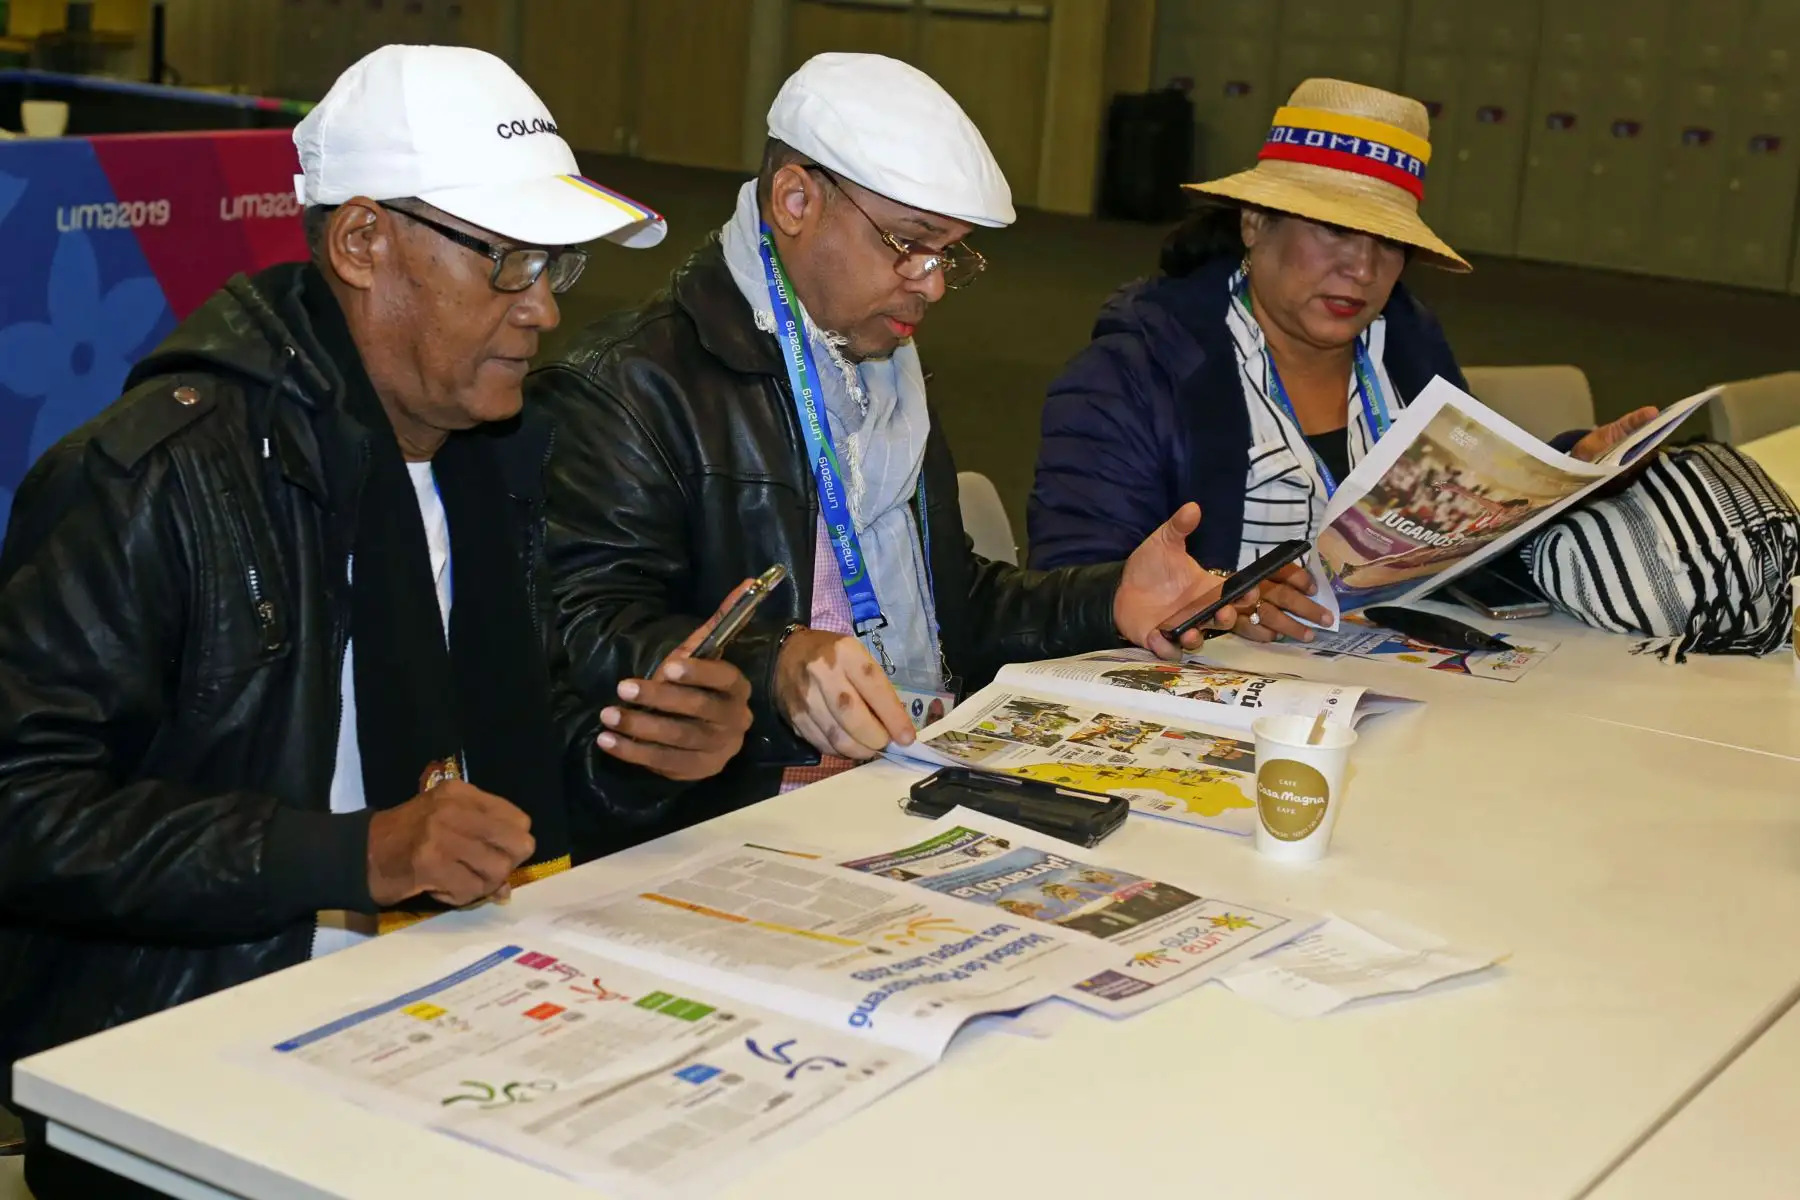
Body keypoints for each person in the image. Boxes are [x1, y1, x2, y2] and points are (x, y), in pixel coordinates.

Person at [0, 46, 747, 1198]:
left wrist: (645, 762)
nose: (544, 308)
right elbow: (25, 814)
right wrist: (353, 852)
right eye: (505, 262)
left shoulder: (509, 458)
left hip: (466, 1005)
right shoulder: (151, 478)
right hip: (201, 1053)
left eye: (554, 265)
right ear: (361, 243)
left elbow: (506, 785)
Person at [527, 52, 1250, 829]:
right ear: (796, 199)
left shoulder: (881, 366)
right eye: (907, 243)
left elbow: (950, 606)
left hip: (902, 773)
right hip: (741, 812)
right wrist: (777, 665)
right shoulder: (632, 386)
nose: (932, 282)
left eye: (949, 253)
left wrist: (1110, 597)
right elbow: (584, 634)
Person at [1028, 79, 1657, 644]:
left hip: (1371, 681)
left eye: (1389, 243)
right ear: (1254, 222)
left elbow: (1459, 514)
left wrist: (1568, 468)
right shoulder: (1131, 373)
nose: (1362, 269)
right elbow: (1073, 587)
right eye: (1333, 229)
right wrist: (1223, 602)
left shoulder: (1405, 350)